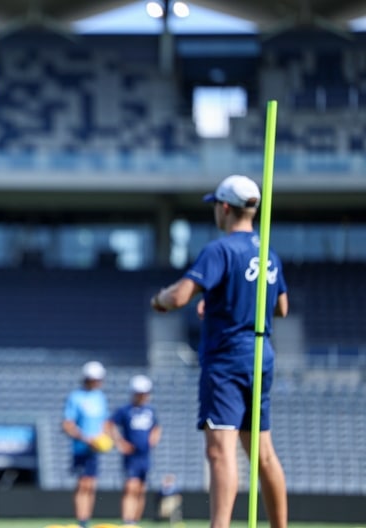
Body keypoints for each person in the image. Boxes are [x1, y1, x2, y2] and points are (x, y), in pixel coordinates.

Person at [149, 174, 289, 528]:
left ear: (225, 208)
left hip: (227, 358)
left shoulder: (220, 249)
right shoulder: (268, 253)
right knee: (263, 454)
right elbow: (281, 307)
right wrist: (224, 302)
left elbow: (179, 297)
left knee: (220, 450)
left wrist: (160, 298)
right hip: (260, 355)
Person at [105, 374, 162, 526]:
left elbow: (156, 427)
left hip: (145, 455)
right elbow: (109, 425)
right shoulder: (125, 410)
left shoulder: (150, 410)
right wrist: (120, 442)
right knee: (130, 487)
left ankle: (135, 521)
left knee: (141, 489)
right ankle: (127, 520)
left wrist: (154, 438)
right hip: (132, 456)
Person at [61, 360, 109, 528]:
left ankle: (87, 518)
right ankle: (81, 521)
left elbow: (104, 423)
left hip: (95, 449)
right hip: (81, 448)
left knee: (91, 484)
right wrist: (85, 439)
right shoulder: (76, 397)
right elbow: (67, 425)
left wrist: (105, 439)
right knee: (83, 484)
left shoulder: (100, 397)